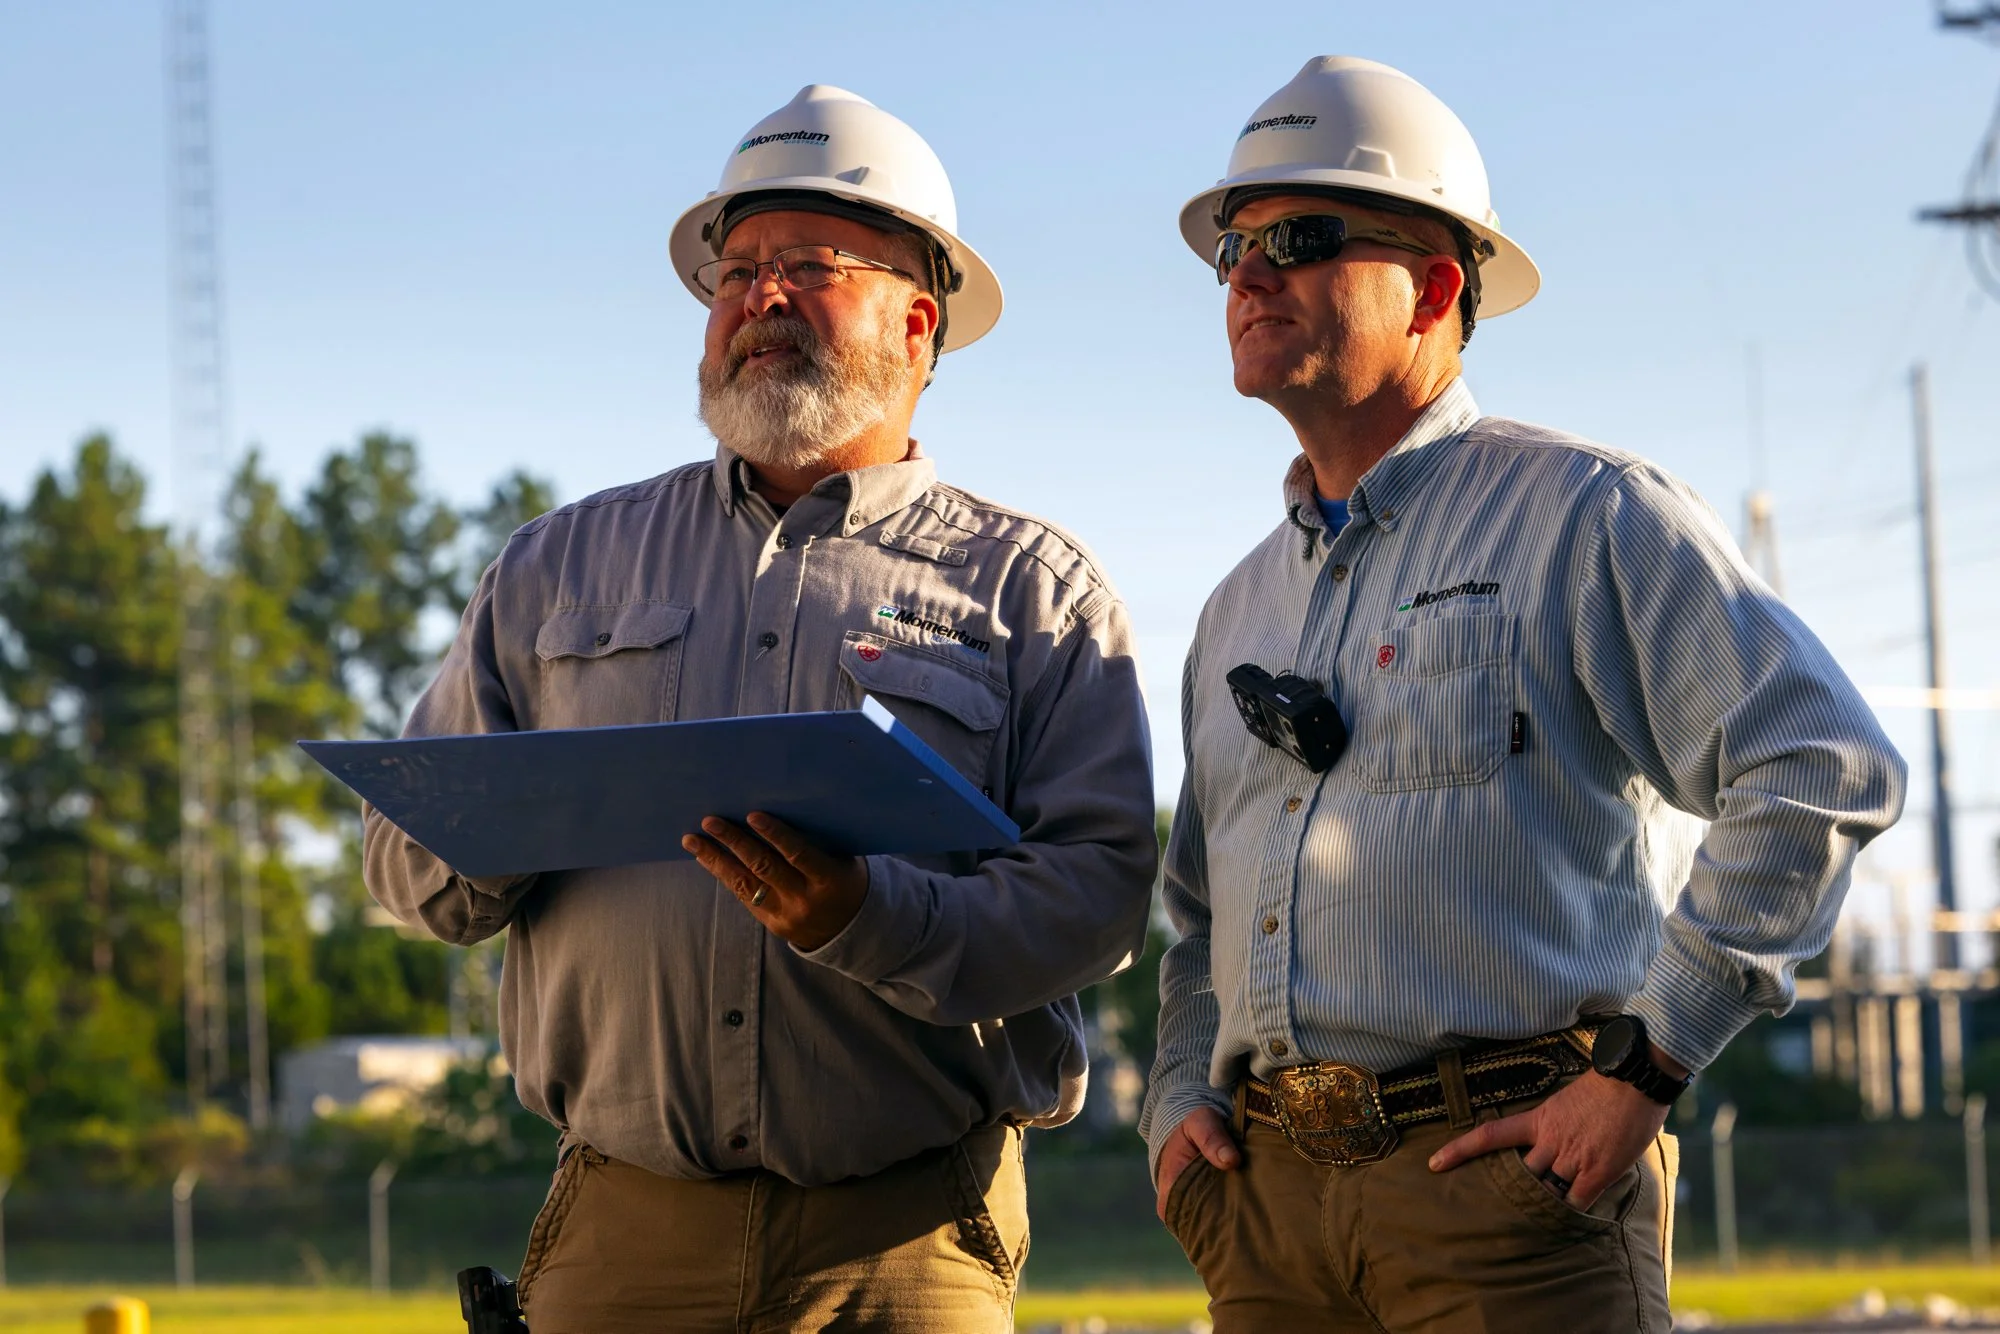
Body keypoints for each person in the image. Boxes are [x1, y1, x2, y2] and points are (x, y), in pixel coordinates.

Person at [364, 84, 1157, 1333]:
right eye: (735, 271)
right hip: (624, 1228)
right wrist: (497, 822)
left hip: (904, 1240)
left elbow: (1099, 896)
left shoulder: (1031, 588)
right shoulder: (558, 566)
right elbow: (409, 876)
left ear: (918, 318)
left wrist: (868, 916)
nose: (759, 298)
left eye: (810, 264)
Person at [1140, 56, 1906, 1332]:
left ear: (1436, 285)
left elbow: (1820, 762)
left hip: (1507, 1202)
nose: (1246, 273)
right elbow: (1192, 923)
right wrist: (1177, 1114)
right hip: (1266, 1222)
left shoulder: (1584, 515)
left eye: (1297, 237)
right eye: (1231, 246)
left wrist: (1644, 1068)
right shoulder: (1234, 611)